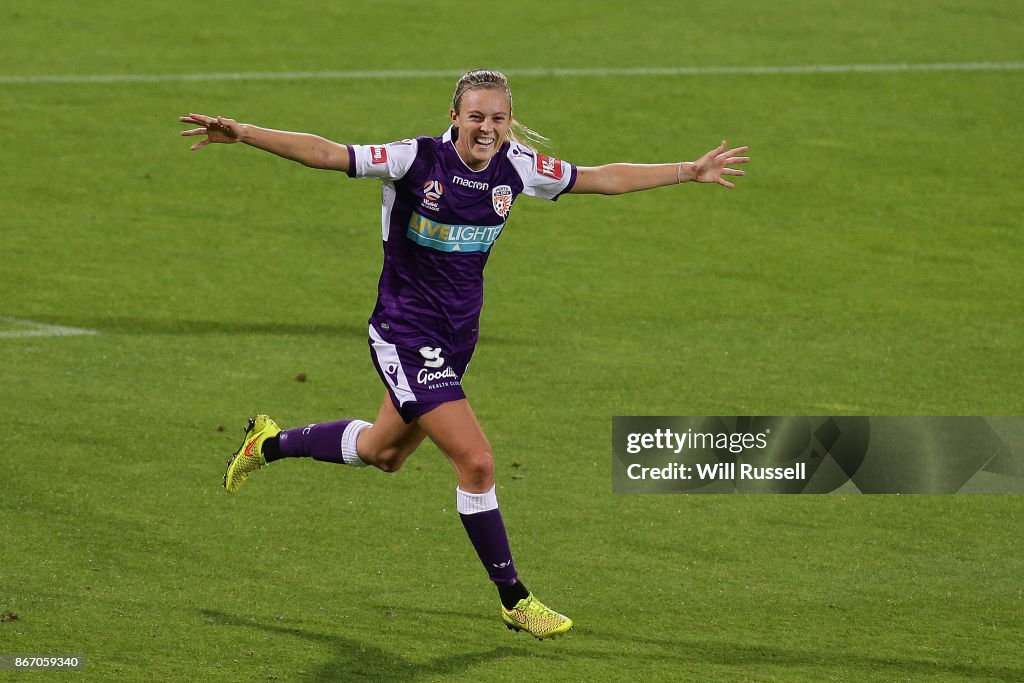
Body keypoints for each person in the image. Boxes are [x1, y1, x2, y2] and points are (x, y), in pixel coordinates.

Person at [179, 69, 748, 640]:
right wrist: (245, 132)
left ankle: (268, 444)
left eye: (498, 118)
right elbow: (330, 153)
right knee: (476, 462)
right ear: (454, 116)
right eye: (476, 116)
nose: (487, 128)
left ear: (509, 121)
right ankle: (515, 599)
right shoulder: (413, 160)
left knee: (384, 453)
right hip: (404, 333)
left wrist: (688, 172)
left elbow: (600, 178)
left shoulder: (517, 167)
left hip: (455, 340)